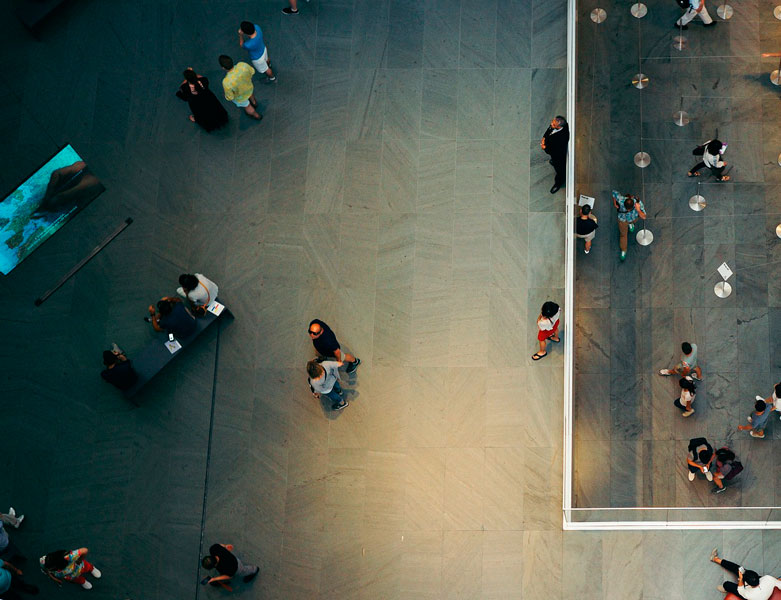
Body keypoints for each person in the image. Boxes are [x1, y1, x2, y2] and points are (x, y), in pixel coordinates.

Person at [710, 548, 781, 599]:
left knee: (727, 584)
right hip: (758, 587)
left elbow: (740, 590)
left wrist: (740, 580)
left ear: (746, 583)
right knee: (737, 568)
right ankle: (715, 559)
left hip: (751, 595)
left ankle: (724, 587)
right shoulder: (768, 578)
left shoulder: (750, 595)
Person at [219, 55, 262, 120]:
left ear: (223, 68)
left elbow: (230, 97)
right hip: (249, 88)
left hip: (241, 97)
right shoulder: (242, 65)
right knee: (250, 95)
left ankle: (256, 115)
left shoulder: (226, 82)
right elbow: (252, 71)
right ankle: (254, 102)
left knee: (247, 106)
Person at [611, 190, 646, 262]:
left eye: (629, 209)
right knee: (623, 235)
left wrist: (638, 210)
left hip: (633, 219)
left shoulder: (638, 203)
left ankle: (630, 224)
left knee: (631, 223)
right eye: (627, 209)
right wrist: (614, 203)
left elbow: (644, 217)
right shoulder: (621, 200)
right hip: (623, 221)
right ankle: (623, 250)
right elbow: (613, 193)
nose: (628, 210)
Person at [540, 116, 569, 194]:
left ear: (559, 126)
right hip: (553, 148)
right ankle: (553, 161)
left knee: (560, 171)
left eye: (553, 124)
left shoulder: (562, 138)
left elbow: (553, 151)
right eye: (552, 122)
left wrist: (544, 147)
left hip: (558, 156)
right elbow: (549, 129)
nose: (551, 124)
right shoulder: (556, 125)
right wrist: (544, 138)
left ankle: (558, 183)